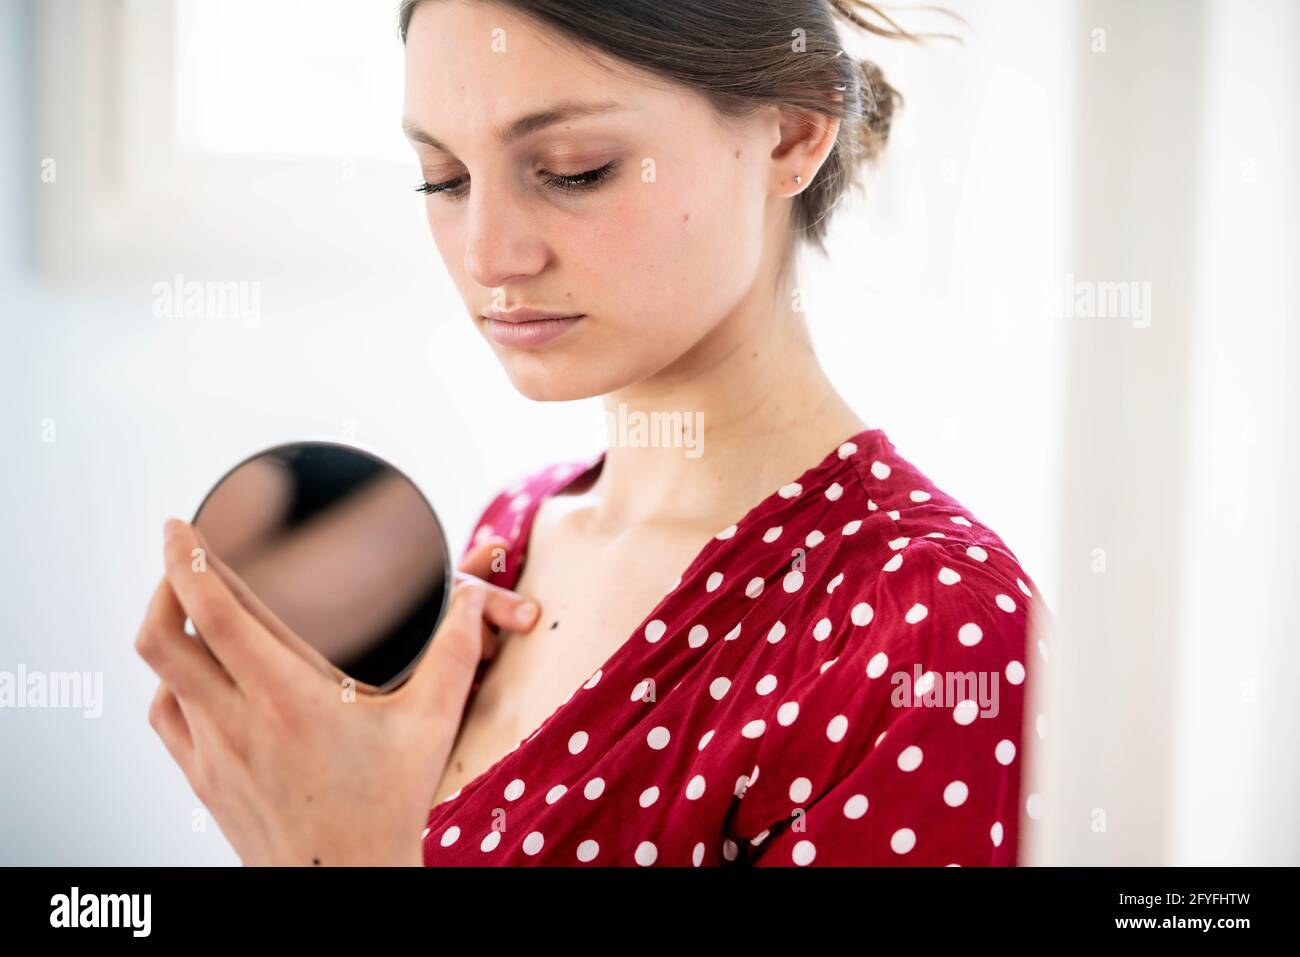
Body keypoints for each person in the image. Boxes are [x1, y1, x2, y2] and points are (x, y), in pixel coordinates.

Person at [136, 0, 1045, 867]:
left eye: (574, 167)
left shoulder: (932, 635)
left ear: (794, 131)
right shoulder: (519, 529)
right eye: (444, 179)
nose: (489, 256)